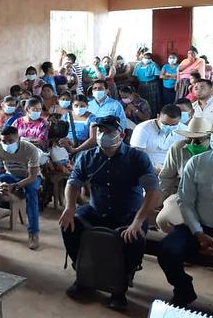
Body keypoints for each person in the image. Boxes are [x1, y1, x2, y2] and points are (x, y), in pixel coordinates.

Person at [60, 116, 160, 311]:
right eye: (99, 131)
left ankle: (121, 284)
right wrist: (70, 207)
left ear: (121, 135)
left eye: (108, 132)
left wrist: (138, 221)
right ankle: (83, 272)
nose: (102, 135)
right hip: (97, 209)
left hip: (128, 213)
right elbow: (73, 183)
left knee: (134, 237)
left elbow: (153, 191)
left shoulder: (137, 158)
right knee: (69, 225)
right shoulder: (87, 156)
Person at [157, 116, 213, 308]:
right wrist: (198, 232)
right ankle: (183, 290)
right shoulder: (196, 163)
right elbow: (185, 201)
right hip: (198, 227)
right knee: (167, 250)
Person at [0, 126, 43, 249]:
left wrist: (15, 186)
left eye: (10, 141)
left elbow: (33, 177)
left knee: (32, 193)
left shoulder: (30, 149)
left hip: (30, 177)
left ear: (18, 138)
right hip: (10, 176)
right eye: (4, 141)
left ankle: (33, 233)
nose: (7, 144)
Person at [156, 117, 212, 233]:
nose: (192, 143)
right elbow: (166, 177)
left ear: (209, 138)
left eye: (197, 141)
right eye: (189, 139)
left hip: (212, 198)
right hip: (184, 194)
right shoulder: (177, 148)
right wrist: (160, 201)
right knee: (163, 219)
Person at [129, 104, 186, 171]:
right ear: (158, 116)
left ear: (179, 121)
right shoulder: (142, 129)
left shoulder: (184, 130)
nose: (169, 127)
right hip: (146, 167)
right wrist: (152, 168)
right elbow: (136, 155)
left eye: (174, 125)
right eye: (165, 124)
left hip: (173, 168)